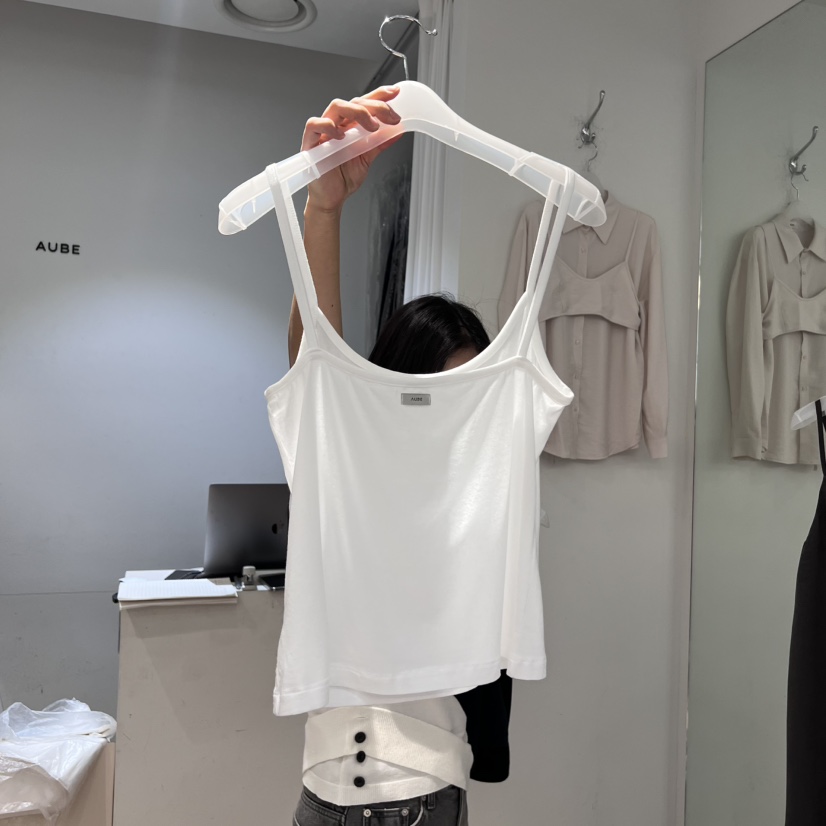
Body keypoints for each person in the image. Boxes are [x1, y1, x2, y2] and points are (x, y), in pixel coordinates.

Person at [287, 87, 512, 826]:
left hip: (419, 795)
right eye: (432, 391)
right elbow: (317, 364)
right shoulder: (347, 467)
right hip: (321, 794)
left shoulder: (477, 498)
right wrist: (323, 210)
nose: (450, 414)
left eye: (465, 395)